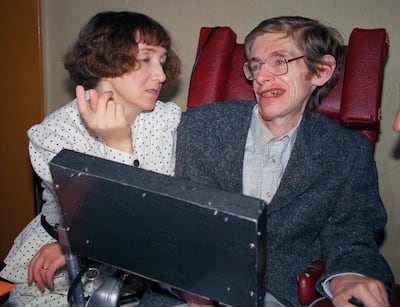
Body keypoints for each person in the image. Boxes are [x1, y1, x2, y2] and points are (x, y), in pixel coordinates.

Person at [175, 16, 395, 306]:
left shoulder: (347, 152)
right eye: (255, 65)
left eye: (279, 61)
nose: (261, 76)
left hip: (279, 296)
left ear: (320, 71)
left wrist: (347, 276)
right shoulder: (199, 127)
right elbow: (175, 219)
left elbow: (352, 235)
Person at [0, 11, 182, 306]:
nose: (161, 75)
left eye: (162, 60)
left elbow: (153, 214)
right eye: (146, 59)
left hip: (140, 264)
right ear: (107, 60)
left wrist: (119, 144)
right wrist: (118, 144)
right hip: (60, 263)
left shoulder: (165, 119)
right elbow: (103, 220)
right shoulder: (55, 134)